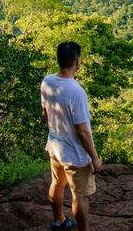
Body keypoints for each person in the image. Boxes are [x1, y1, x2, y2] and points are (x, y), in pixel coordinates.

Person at [41, 41, 103, 231]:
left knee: (57, 183)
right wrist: (94, 157)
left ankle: (59, 220)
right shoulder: (77, 92)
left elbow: (45, 114)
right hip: (75, 155)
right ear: (77, 62)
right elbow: (82, 131)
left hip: (55, 147)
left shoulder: (48, 82)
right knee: (80, 196)